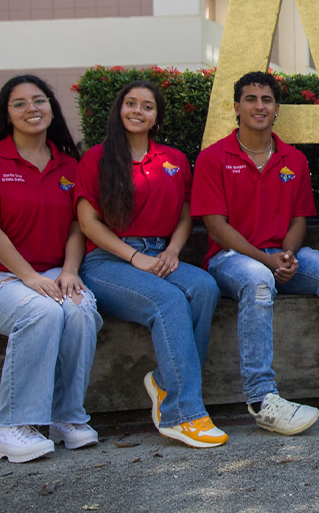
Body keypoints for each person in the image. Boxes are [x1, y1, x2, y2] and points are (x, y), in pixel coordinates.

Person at [192, 71, 319, 435]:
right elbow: (215, 224)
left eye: (266, 100)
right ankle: (262, 398)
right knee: (257, 282)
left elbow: (300, 218)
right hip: (231, 259)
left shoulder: (294, 160)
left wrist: (285, 255)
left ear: (276, 109)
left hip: (282, 254)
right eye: (251, 99)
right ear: (236, 107)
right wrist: (265, 260)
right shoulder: (212, 158)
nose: (259, 106)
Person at [0, 75, 101, 463]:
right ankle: (10, 427)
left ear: (52, 107)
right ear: (7, 114)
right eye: (19, 103)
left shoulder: (69, 165)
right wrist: (30, 277)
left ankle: (67, 418)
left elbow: (76, 227)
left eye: (39, 101)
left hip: (52, 270)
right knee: (41, 310)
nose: (31, 109)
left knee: (81, 309)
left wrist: (69, 271)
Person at [75, 80, 227, 448]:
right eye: (130, 103)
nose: (137, 111)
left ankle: (164, 381)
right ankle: (183, 413)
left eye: (147, 106)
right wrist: (134, 257)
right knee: (168, 300)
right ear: (119, 109)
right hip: (108, 260)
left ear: (157, 116)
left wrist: (173, 251)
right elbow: (87, 220)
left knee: (205, 287)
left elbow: (187, 213)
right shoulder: (96, 158)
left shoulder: (173, 159)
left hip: (160, 252)